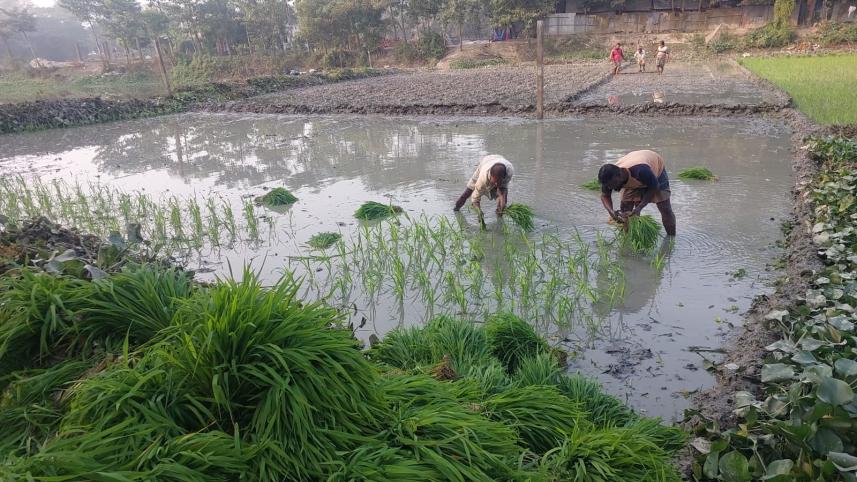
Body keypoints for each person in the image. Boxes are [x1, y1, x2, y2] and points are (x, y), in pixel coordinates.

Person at [597, 150, 676, 235]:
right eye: (608, 186)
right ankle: (629, 239)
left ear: (619, 176)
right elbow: (605, 196)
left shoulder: (641, 171)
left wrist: (640, 207)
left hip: (654, 168)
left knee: (665, 208)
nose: (610, 188)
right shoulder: (608, 179)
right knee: (625, 212)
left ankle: (671, 238)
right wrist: (612, 212)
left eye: (612, 184)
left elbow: (654, 187)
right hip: (632, 173)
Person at [454, 154, 514, 226]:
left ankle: (499, 218)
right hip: (486, 162)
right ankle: (456, 208)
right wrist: (479, 212)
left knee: (502, 203)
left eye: (498, 182)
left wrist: (503, 202)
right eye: (494, 182)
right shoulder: (482, 178)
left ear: (503, 177)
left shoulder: (509, 172)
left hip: (500, 160)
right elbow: (475, 198)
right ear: (490, 176)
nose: (496, 184)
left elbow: (503, 188)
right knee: (468, 191)